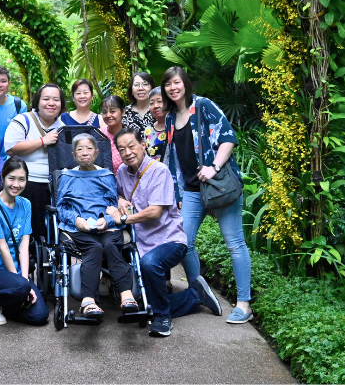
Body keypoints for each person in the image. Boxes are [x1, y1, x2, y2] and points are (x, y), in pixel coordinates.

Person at [108, 128, 221, 337]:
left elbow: (155, 211)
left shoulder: (159, 170)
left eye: (131, 146)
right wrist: (120, 199)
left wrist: (123, 219)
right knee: (141, 301)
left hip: (169, 240)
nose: (127, 153)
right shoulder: (122, 171)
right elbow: (118, 193)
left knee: (150, 264)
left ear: (143, 145)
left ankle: (162, 317)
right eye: (122, 149)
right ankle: (195, 296)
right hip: (142, 241)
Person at [160, 66, 252, 324]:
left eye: (177, 82)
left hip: (218, 185)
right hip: (191, 191)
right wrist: (176, 192)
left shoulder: (203, 106)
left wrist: (214, 167)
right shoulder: (170, 117)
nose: (173, 88)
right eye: (168, 84)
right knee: (183, 243)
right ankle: (198, 291)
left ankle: (244, 304)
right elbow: (174, 158)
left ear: (185, 83)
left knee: (235, 243)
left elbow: (228, 138)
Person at [55, 133, 137, 317]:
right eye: (80, 149)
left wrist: (107, 220)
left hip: (106, 225)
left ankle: (126, 295)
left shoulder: (106, 176)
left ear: (97, 152)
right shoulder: (67, 176)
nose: (85, 152)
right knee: (94, 248)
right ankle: (88, 301)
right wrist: (77, 220)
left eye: (89, 148)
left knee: (110, 245)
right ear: (74, 154)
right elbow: (61, 208)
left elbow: (114, 205)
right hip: (78, 227)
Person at [0, 157, 49, 326]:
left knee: (40, 316)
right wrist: (22, 285)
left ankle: (7, 303)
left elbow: (24, 245)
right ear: (2, 177)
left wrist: (25, 279)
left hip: (13, 270)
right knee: (21, 288)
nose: (16, 184)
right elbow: (3, 249)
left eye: (21, 179)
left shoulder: (25, 204)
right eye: (12, 178)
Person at [3, 83, 65, 242]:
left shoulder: (62, 127)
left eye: (56, 100)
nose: (51, 103)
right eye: (46, 99)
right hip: (24, 185)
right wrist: (43, 141)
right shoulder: (23, 120)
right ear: (37, 101)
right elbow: (11, 148)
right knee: (22, 231)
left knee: (46, 232)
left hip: (51, 187)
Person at [100, 94, 126, 175]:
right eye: (104, 112)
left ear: (123, 112)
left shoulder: (130, 135)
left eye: (112, 111)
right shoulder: (99, 135)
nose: (108, 115)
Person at [143, 87, 168, 161]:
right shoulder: (148, 131)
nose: (155, 106)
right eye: (152, 103)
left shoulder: (177, 126)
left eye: (159, 101)